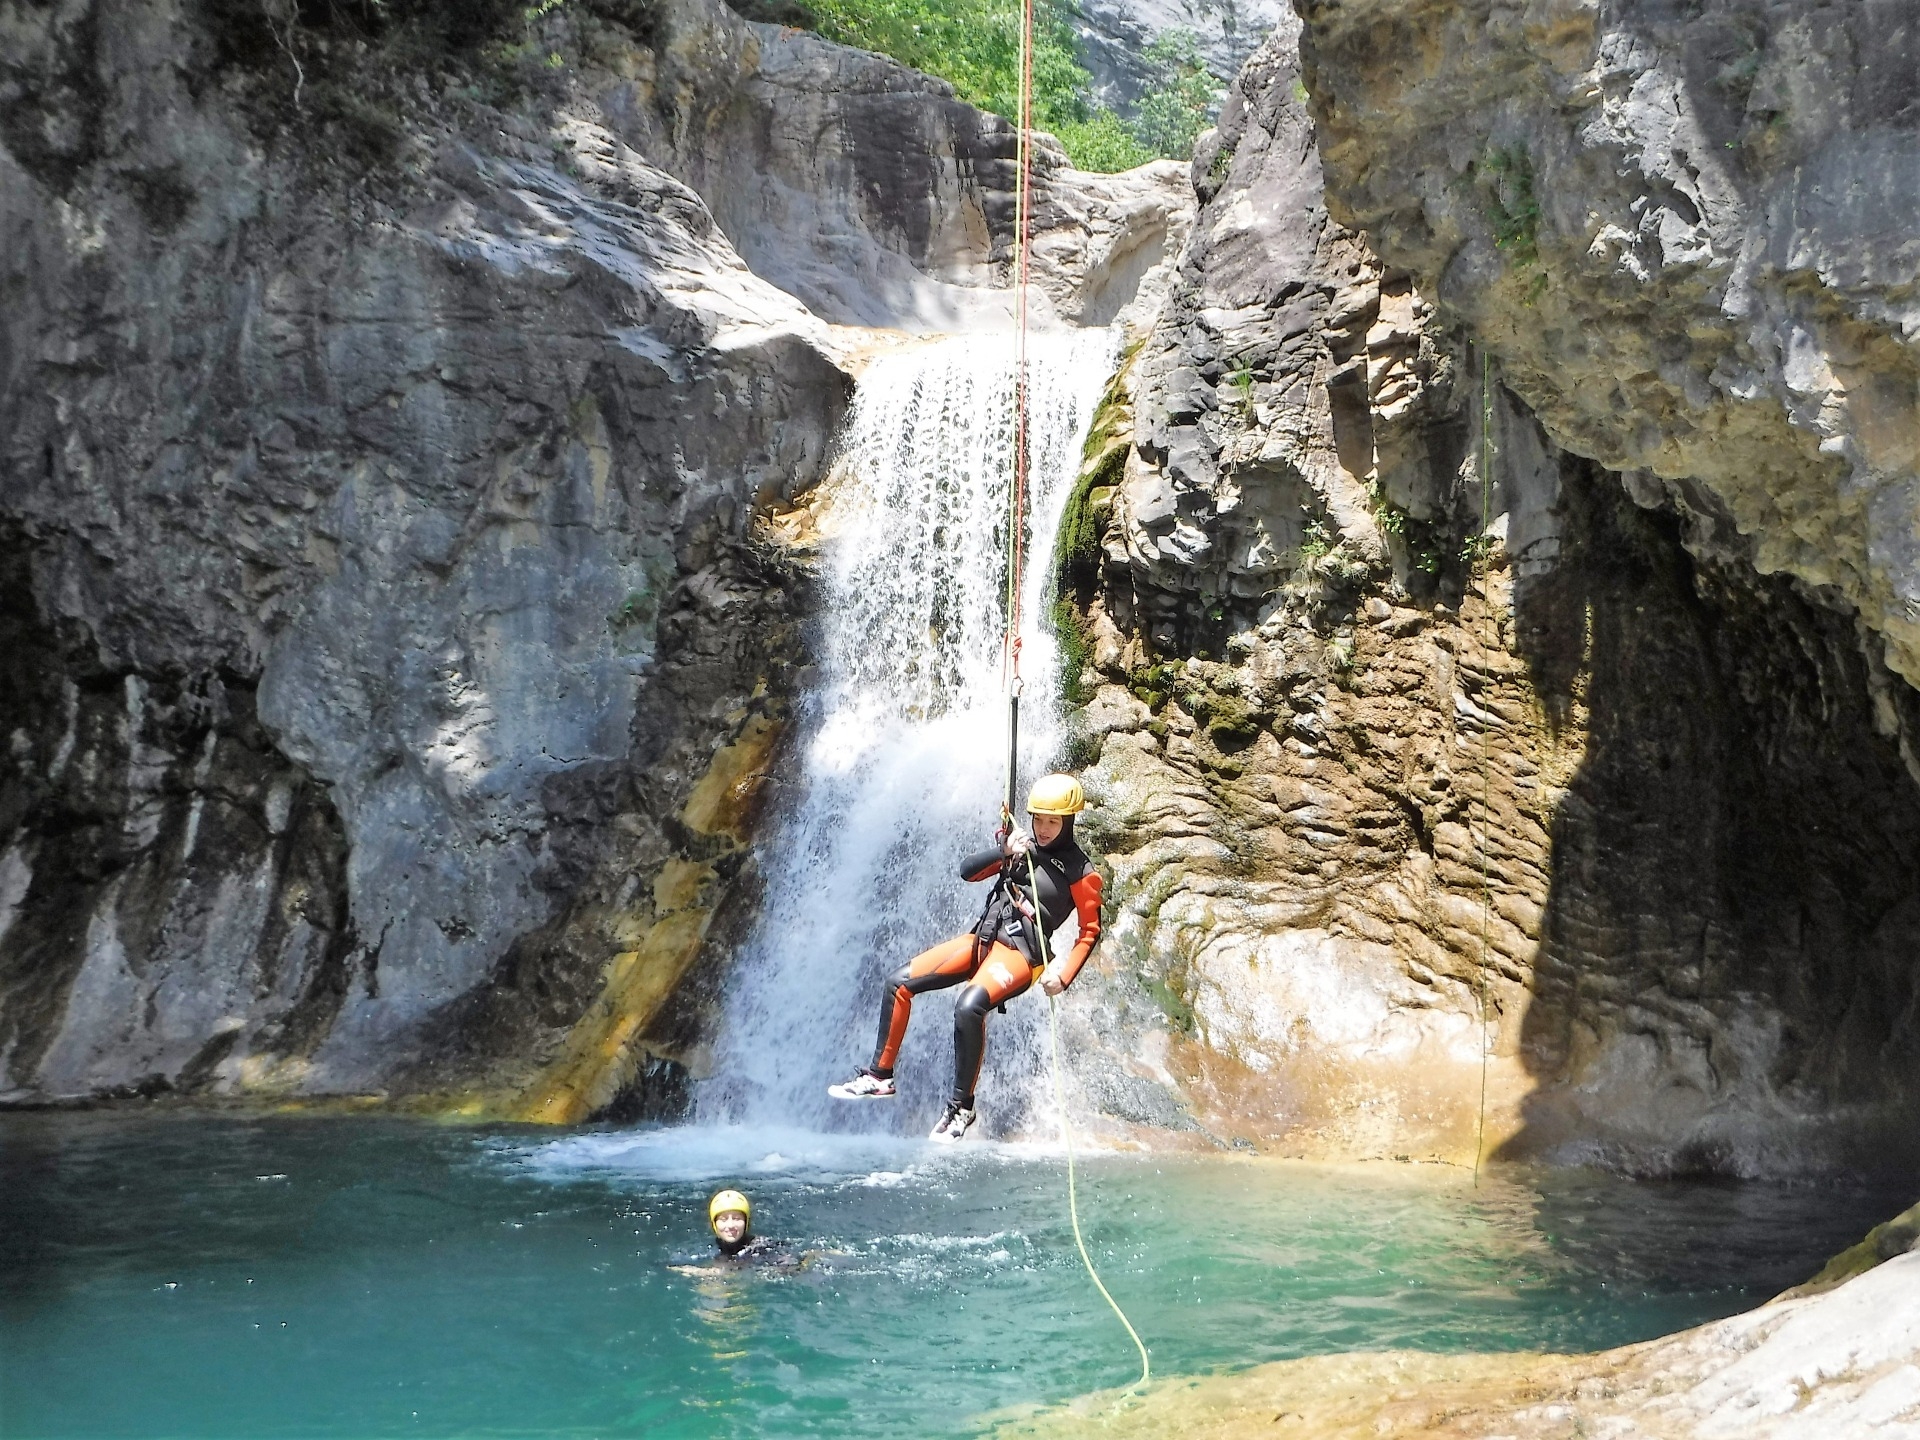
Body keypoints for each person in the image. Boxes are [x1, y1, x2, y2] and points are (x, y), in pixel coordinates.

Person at [827, 772, 1104, 1142]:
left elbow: (1090, 931)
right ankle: (879, 1076)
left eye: (1053, 821)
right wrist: (1004, 850)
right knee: (898, 983)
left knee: (968, 1005)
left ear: (1069, 821)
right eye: (1039, 819)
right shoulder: (1020, 844)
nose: (1044, 828)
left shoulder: (1081, 871)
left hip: (1022, 953)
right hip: (984, 939)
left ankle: (961, 1109)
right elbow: (967, 873)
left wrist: (1064, 975)